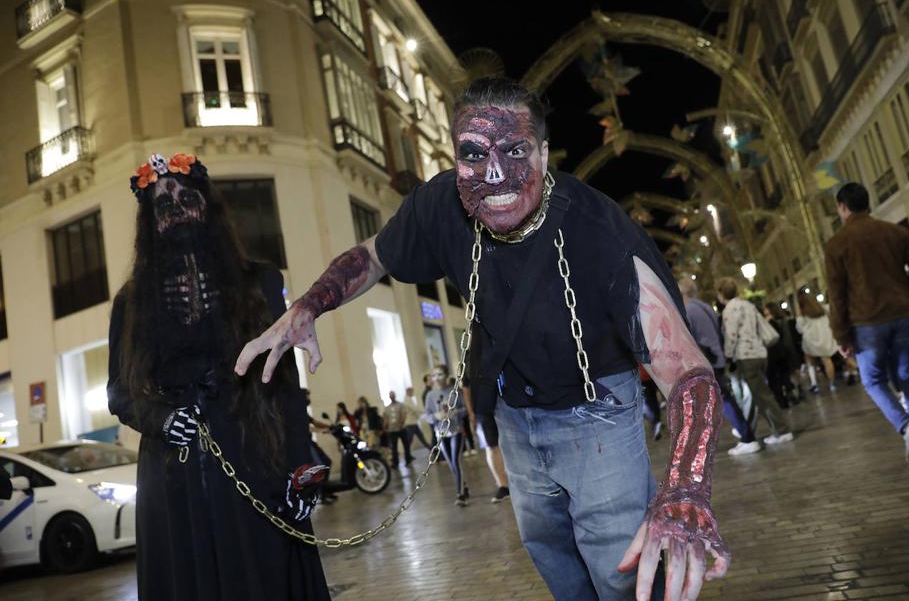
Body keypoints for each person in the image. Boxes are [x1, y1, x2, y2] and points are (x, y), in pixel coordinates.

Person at [236, 77, 729, 601]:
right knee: (554, 559)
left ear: (542, 153)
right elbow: (375, 254)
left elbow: (690, 377)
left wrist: (685, 487)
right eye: (473, 154)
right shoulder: (439, 204)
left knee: (620, 572)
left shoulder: (598, 228)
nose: (493, 174)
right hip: (516, 418)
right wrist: (310, 304)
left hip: (599, 415)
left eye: (515, 151)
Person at [107, 154, 330, 600]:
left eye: (186, 198)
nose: (175, 209)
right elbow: (120, 392)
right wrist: (163, 418)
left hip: (254, 456)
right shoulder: (130, 302)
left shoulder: (261, 282)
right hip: (174, 478)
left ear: (207, 205)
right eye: (162, 204)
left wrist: (302, 467)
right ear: (150, 222)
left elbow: (285, 384)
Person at [826, 182, 909, 467]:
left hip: (866, 324)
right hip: (904, 316)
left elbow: (836, 295)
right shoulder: (895, 232)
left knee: (873, 381)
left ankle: (905, 426)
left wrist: (841, 335)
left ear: (843, 207)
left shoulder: (838, 243)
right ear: (868, 203)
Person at [678, 277, 759, 456]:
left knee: (722, 400)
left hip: (707, 362)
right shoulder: (704, 306)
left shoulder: (688, 310)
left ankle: (746, 436)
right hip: (717, 359)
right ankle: (743, 434)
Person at [718, 277, 794, 447]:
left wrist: (728, 357)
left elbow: (731, 336)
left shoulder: (729, 310)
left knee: (762, 396)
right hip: (760, 353)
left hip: (746, 356)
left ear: (721, 294)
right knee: (761, 394)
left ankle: (782, 430)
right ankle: (775, 429)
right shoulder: (748, 305)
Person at [461, 337, 510, 503]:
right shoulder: (468, 357)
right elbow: (465, 387)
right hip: (482, 409)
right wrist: (471, 412)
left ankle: (517, 481)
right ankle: (503, 485)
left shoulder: (498, 345)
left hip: (506, 402)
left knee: (512, 442)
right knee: (491, 445)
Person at [424, 365, 469, 506]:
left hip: (456, 430)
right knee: (450, 463)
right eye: (434, 375)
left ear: (446, 375)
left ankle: (460, 494)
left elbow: (465, 409)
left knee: (456, 461)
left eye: (440, 374)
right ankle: (464, 486)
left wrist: (455, 413)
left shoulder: (454, 390)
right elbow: (427, 415)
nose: (437, 378)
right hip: (441, 434)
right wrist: (435, 416)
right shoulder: (430, 395)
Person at [795, 292, 841, 394]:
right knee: (827, 360)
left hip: (811, 339)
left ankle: (814, 384)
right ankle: (832, 384)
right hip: (825, 337)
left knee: (810, 361)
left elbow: (800, 329)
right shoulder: (822, 308)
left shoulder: (802, 312)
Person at [384, 391, 413, 467]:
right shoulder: (387, 408)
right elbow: (386, 418)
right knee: (394, 447)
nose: (392, 397)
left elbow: (404, 414)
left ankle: (408, 459)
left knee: (406, 445)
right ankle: (395, 462)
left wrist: (401, 423)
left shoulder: (400, 405)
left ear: (395, 396)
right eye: (390, 395)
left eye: (393, 395)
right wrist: (385, 426)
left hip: (401, 429)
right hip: (392, 430)